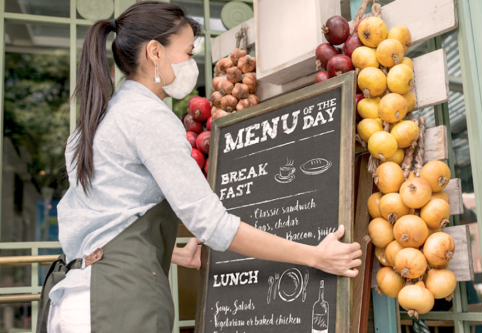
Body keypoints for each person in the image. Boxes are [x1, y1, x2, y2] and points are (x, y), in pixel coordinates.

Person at [37, 2, 362, 333]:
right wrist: (314, 256)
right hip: (117, 304)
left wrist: (171, 253)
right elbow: (212, 225)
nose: (191, 63)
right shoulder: (149, 117)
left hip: (72, 301)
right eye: (189, 52)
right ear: (155, 52)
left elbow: (102, 224)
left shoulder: (94, 122)